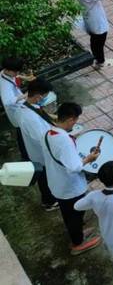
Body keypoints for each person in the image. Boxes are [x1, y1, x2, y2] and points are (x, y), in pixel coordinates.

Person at [41, 102, 102, 254]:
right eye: (75, 120)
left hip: (57, 182)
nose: (75, 123)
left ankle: (78, 234)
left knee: (69, 212)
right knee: (74, 214)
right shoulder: (65, 142)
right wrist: (89, 158)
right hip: (70, 187)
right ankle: (77, 242)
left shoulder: (49, 133)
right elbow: (74, 167)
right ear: (70, 120)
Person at [18, 77, 58, 210]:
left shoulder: (26, 105)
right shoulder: (31, 119)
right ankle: (48, 201)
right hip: (41, 154)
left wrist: (51, 118)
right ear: (38, 96)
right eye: (45, 96)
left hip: (36, 151)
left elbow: (39, 112)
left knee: (45, 176)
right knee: (44, 177)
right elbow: (43, 139)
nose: (45, 99)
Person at [74, 0, 113, 69]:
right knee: (99, 44)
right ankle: (101, 62)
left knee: (94, 42)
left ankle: (97, 59)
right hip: (97, 22)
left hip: (90, 21)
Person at [0, 57, 33, 160]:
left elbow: (15, 75)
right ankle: (26, 155)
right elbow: (8, 101)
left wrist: (25, 78)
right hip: (16, 111)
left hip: (20, 106)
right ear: (7, 70)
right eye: (15, 71)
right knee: (22, 133)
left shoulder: (5, 72)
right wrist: (26, 95)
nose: (17, 73)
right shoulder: (5, 85)